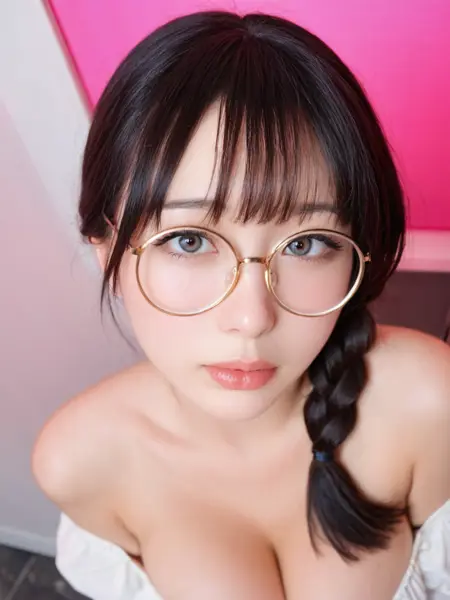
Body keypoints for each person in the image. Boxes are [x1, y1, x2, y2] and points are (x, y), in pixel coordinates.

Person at [32, 10, 450, 600]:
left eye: (306, 244)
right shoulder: (80, 460)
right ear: (107, 254)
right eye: (189, 241)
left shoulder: (429, 404)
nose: (253, 318)